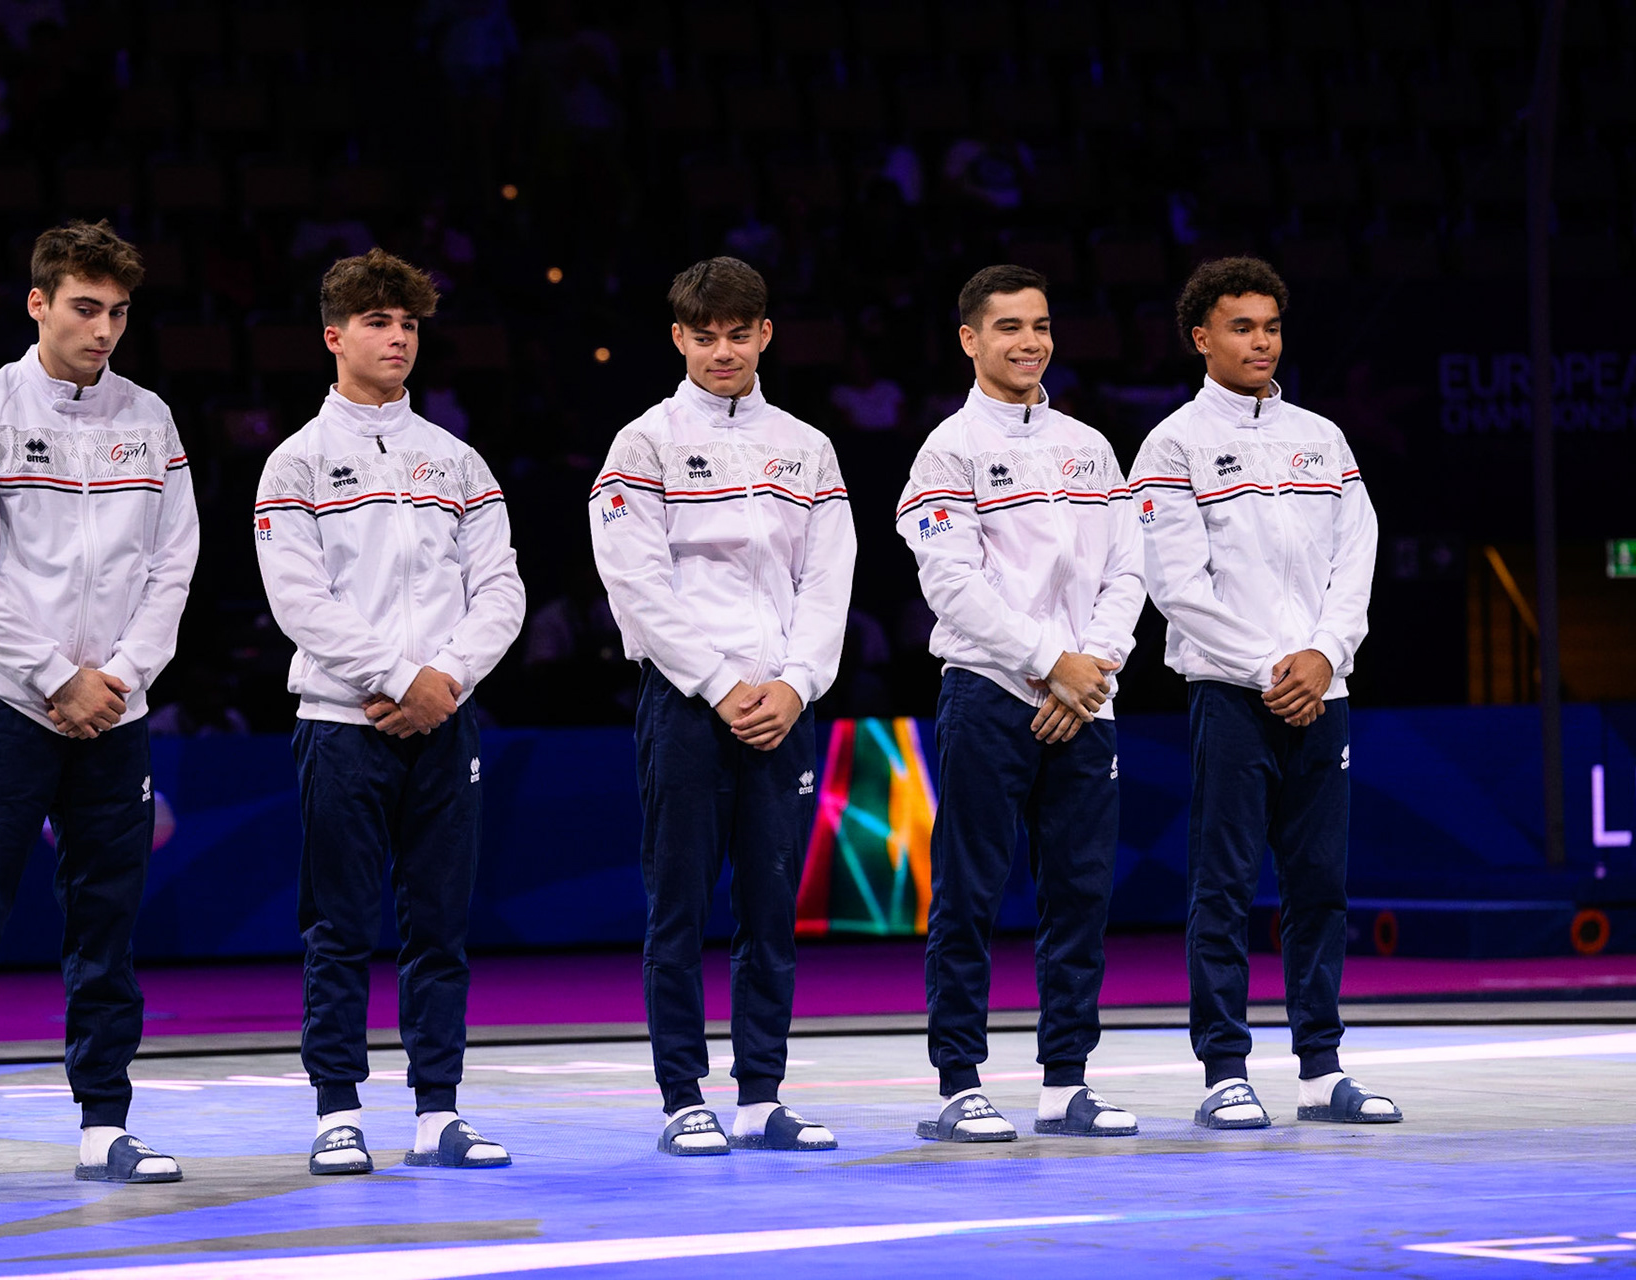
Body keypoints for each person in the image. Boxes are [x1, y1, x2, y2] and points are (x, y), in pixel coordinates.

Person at [0, 220, 199, 1193]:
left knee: (107, 923)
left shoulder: (150, 418)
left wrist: (118, 675)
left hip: (116, 712)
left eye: (118, 311)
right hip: (5, 705)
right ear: (38, 303)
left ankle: (104, 1122)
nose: (104, 327)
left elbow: (173, 564)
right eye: (85, 307)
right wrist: (54, 676)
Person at [254, 249, 525, 1174]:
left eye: (408, 323)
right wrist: (400, 676)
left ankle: (436, 1110)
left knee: (439, 924)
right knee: (338, 925)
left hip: (445, 723)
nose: (398, 336)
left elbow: (501, 591)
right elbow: (300, 600)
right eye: (376, 322)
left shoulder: (456, 459)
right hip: (342, 726)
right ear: (335, 337)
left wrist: (441, 680)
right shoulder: (296, 462)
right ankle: (337, 1109)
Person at [589, 257, 856, 1156]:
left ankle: (761, 1094)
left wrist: (793, 683)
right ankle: (681, 1096)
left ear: (765, 335)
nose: (723, 351)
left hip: (784, 704)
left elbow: (829, 581)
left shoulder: (807, 448)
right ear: (678, 337)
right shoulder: (643, 442)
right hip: (687, 703)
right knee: (679, 905)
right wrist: (720, 683)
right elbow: (636, 584)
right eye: (705, 336)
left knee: (773, 906)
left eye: (739, 334)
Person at [1129, 257, 1398, 1129]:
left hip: (1327, 692)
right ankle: (1224, 1069)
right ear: (1202, 338)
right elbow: (1177, 585)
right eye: (1242, 326)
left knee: (1320, 884)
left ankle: (1321, 1071)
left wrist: (1324, 654)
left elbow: (1356, 555)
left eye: (1271, 325)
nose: (1261, 340)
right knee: (1225, 882)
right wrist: (1272, 671)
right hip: (1232, 696)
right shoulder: (1172, 444)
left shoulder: (1322, 437)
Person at [896, 266, 1146, 1144]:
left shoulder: (1090, 447)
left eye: (1039, 324)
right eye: (1007, 327)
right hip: (991, 692)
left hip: (1088, 700)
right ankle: (958, 1082)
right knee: (968, 895)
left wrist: (1093, 668)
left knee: (1078, 896)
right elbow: (953, 586)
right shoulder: (946, 451)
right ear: (969, 340)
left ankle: (1064, 1082)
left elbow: (1128, 570)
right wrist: (1051, 664)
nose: (1028, 341)